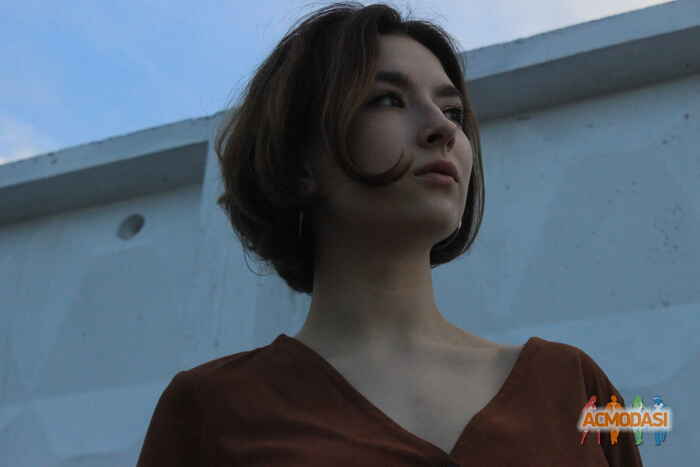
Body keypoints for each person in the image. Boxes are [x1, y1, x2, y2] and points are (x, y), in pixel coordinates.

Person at [135, 2, 644, 465]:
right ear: (299, 160)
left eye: (452, 111)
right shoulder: (209, 409)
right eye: (387, 100)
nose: (443, 129)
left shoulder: (577, 387)